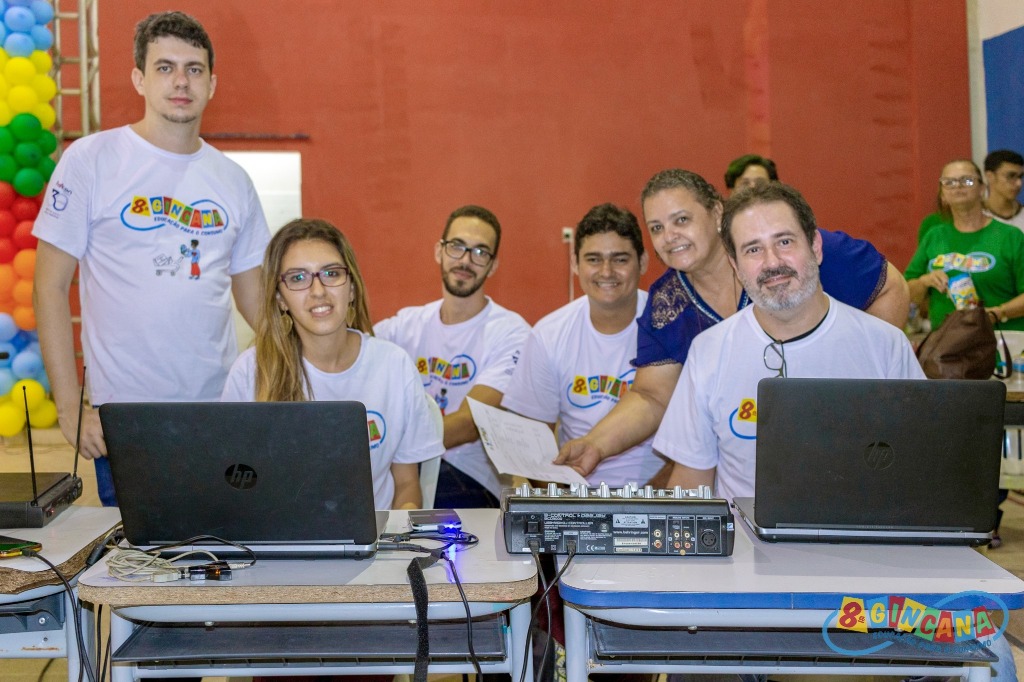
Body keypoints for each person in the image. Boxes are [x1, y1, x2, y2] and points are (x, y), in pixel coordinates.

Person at [33, 11, 270, 506]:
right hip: (126, 419)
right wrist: (70, 409)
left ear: (211, 84)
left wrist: (321, 359)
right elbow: (49, 287)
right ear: (139, 79)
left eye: (194, 69)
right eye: (165, 67)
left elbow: (259, 303)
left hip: (218, 411)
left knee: (221, 546)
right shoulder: (91, 160)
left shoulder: (233, 181)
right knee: (138, 553)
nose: (181, 81)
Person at [556, 168, 910, 478]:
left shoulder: (792, 254)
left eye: (682, 220)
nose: (669, 236)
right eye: (657, 228)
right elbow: (651, 395)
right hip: (743, 459)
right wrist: (595, 444)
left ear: (716, 212)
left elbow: (890, 288)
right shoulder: (667, 304)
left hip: (841, 451)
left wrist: (858, 392)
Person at [656, 181, 924, 500]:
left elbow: (919, 465)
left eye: (784, 241)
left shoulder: (885, 345)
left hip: (857, 530)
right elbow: (691, 480)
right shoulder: (708, 351)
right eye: (753, 249)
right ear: (735, 266)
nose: (772, 263)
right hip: (742, 533)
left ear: (816, 246)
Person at [220, 219, 442, 510]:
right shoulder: (250, 372)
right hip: (282, 535)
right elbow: (233, 489)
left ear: (352, 289)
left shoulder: (393, 365)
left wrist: (398, 529)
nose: (318, 291)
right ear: (280, 298)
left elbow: (406, 483)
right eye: (298, 278)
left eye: (331, 273)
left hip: (375, 536)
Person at [375, 205, 529, 508]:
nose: (465, 260)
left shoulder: (513, 333)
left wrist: (389, 446)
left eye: (480, 252)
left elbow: (470, 424)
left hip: (467, 474)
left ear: (493, 265)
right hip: (402, 464)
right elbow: (349, 352)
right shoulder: (405, 325)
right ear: (439, 251)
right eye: (457, 246)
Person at [501, 203, 665, 486]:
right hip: (576, 492)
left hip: (657, 493)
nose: (606, 271)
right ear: (575, 264)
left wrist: (649, 499)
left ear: (643, 262)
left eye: (620, 259)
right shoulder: (548, 335)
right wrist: (563, 502)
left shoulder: (671, 327)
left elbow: (690, 451)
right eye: (593, 259)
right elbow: (533, 449)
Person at [905, 159, 1024, 332]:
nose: (958, 186)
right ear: (943, 195)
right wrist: (925, 281)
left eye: (967, 180)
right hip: (946, 342)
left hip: (1002, 340)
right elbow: (907, 293)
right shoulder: (934, 236)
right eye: (949, 182)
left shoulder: (1010, 236)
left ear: (982, 189)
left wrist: (997, 313)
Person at [983, 149, 1024, 231]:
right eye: (1011, 176)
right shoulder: (973, 217)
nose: (1019, 183)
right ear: (990, 176)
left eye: (1020, 177)